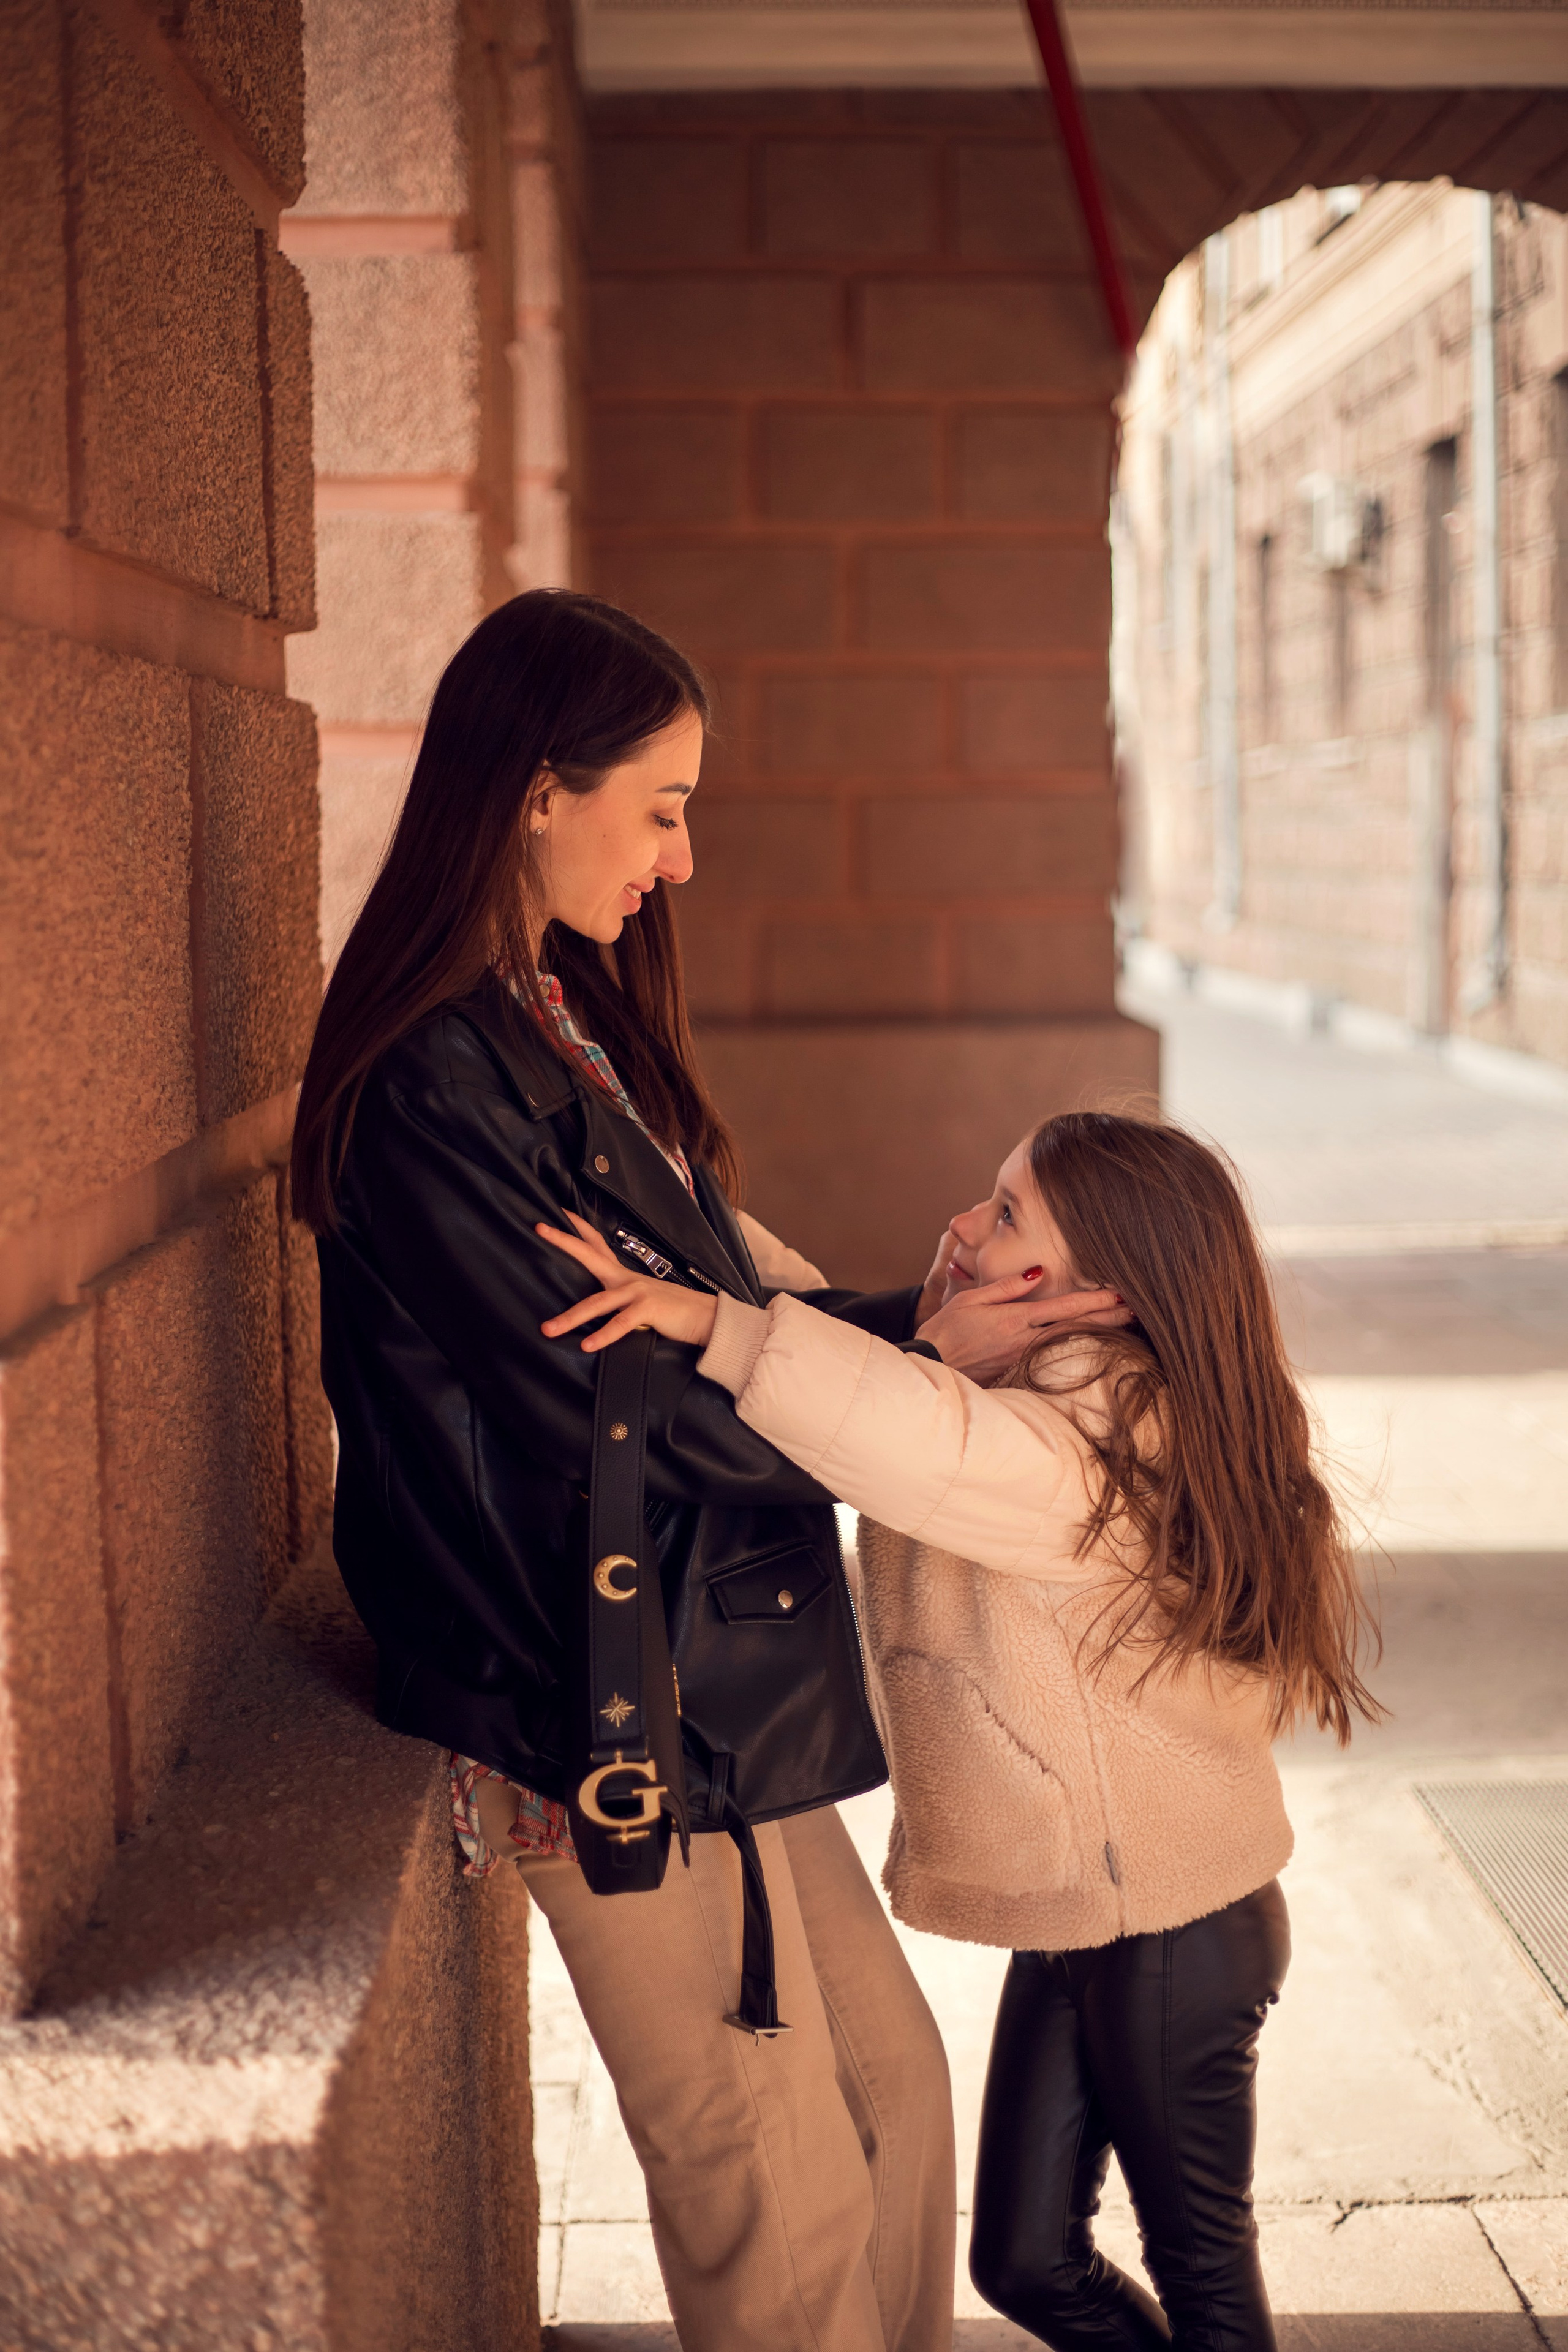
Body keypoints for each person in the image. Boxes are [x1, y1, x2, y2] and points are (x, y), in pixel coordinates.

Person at [289, 587, 1115, 2352]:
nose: (681, 858)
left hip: (715, 1668)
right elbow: (629, 1409)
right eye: (659, 806)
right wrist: (920, 1392)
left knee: (890, 2113)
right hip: (597, 1704)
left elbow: (730, 1319)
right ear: (532, 788)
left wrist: (947, 1337)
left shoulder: (560, 1021)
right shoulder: (436, 1081)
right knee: (775, 2192)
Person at [540, 1109, 1382, 2352]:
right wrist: (674, 1220)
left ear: (1093, 1293)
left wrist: (714, 1325)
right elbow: (855, 1353)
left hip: (1173, 1936)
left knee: (1203, 2278)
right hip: (1090, 1916)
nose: (961, 1225)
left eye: (1003, 1216)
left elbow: (901, 1430)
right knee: (1024, 2261)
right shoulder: (1039, 1387)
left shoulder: (1082, 1452)